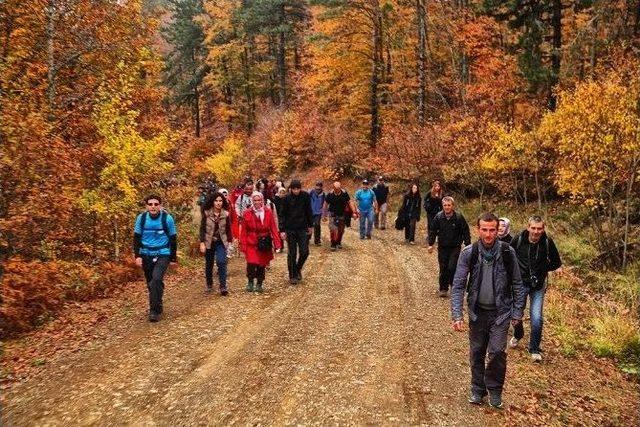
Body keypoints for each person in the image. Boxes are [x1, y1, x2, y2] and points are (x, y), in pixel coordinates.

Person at [451, 212, 526, 409]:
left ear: (498, 230)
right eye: (484, 230)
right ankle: (477, 388)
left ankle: (494, 390)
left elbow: (518, 284)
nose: (488, 234)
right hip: (477, 313)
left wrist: (517, 312)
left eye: (492, 230)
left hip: (501, 314)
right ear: (478, 230)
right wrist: (457, 313)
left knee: (497, 353)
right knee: (477, 352)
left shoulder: (508, 252)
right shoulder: (469, 252)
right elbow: (458, 285)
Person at [509, 215, 562, 362]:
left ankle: (534, 348)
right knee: (516, 316)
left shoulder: (547, 242)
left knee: (537, 318)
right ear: (528, 227)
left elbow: (556, 262)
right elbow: (508, 257)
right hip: (520, 284)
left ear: (543, 229)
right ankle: (518, 335)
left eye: (539, 229)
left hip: (538, 285)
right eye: (533, 228)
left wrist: (543, 269)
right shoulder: (519, 239)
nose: (536, 231)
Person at [133, 195, 178, 322]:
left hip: (163, 253)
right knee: (151, 283)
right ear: (146, 206)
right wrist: (137, 256)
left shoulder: (167, 219)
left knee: (156, 279)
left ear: (160, 205)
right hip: (146, 253)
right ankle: (158, 303)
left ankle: (154, 311)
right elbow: (136, 238)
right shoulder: (141, 219)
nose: (153, 206)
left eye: (156, 204)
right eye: (150, 204)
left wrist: (173, 258)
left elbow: (173, 238)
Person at [427, 196, 471, 297]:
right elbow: (433, 231)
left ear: (453, 206)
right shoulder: (438, 217)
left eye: (449, 205)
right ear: (442, 206)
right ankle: (443, 288)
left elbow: (465, 231)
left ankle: (454, 286)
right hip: (442, 247)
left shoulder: (459, 217)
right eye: (445, 205)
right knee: (443, 267)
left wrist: (467, 245)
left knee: (452, 267)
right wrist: (430, 244)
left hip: (455, 247)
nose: (447, 207)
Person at [239, 191, 282, 293]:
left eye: (259, 200)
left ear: (262, 200)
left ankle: (259, 283)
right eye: (255, 200)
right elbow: (244, 231)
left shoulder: (268, 212)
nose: (257, 202)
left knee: (261, 264)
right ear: (252, 201)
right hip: (251, 241)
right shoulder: (246, 213)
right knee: (251, 263)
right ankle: (250, 281)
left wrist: (277, 243)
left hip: (263, 241)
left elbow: (273, 228)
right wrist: (243, 245)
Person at [279, 179, 313, 284]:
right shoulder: (286, 199)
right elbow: (282, 215)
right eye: (294, 189)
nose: (296, 191)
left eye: (298, 188)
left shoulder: (306, 196)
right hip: (290, 229)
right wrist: (282, 230)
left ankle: (298, 268)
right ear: (291, 189)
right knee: (292, 253)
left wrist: (310, 225)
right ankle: (292, 275)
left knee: (305, 252)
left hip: (302, 228)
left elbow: (309, 210)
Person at [199, 192, 232, 295]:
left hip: (221, 241)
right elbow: (202, 229)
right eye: (216, 201)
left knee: (221, 262)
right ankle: (209, 284)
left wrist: (230, 242)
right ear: (212, 202)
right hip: (209, 241)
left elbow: (228, 229)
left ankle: (223, 286)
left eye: (220, 201)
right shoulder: (206, 213)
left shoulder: (226, 214)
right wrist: (202, 242)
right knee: (209, 264)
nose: (218, 203)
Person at [322, 181, 352, 251]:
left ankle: (338, 242)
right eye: (336, 188)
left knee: (341, 230)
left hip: (342, 214)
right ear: (333, 188)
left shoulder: (344, 193)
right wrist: (324, 215)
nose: (338, 189)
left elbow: (349, 202)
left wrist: (354, 212)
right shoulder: (330, 194)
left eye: (339, 188)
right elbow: (325, 204)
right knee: (333, 229)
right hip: (332, 214)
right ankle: (333, 244)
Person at [309, 181, 326, 246]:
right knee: (309, 225)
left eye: (319, 187)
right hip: (310, 212)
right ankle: (307, 238)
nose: (317, 189)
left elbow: (325, 204)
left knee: (317, 225)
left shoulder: (323, 195)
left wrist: (324, 214)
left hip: (318, 212)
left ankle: (317, 241)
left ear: (321, 187)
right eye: (317, 187)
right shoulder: (311, 193)